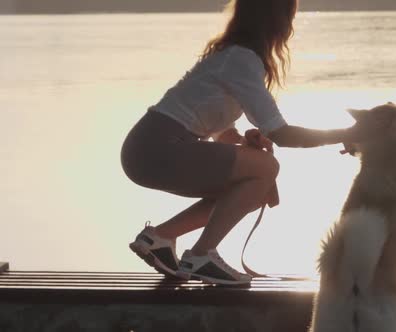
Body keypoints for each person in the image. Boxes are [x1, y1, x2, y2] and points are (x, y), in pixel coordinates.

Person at [121, 0, 382, 285]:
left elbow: (220, 130)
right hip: (158, 147)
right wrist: (348, 134)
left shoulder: (229, 56)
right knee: (266, 168)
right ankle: (201, 255)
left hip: (148, 149)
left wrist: (245, 138)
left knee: (256, 181)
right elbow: (282, 134)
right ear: (276, 18)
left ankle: (161, 237)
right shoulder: (242, 59)